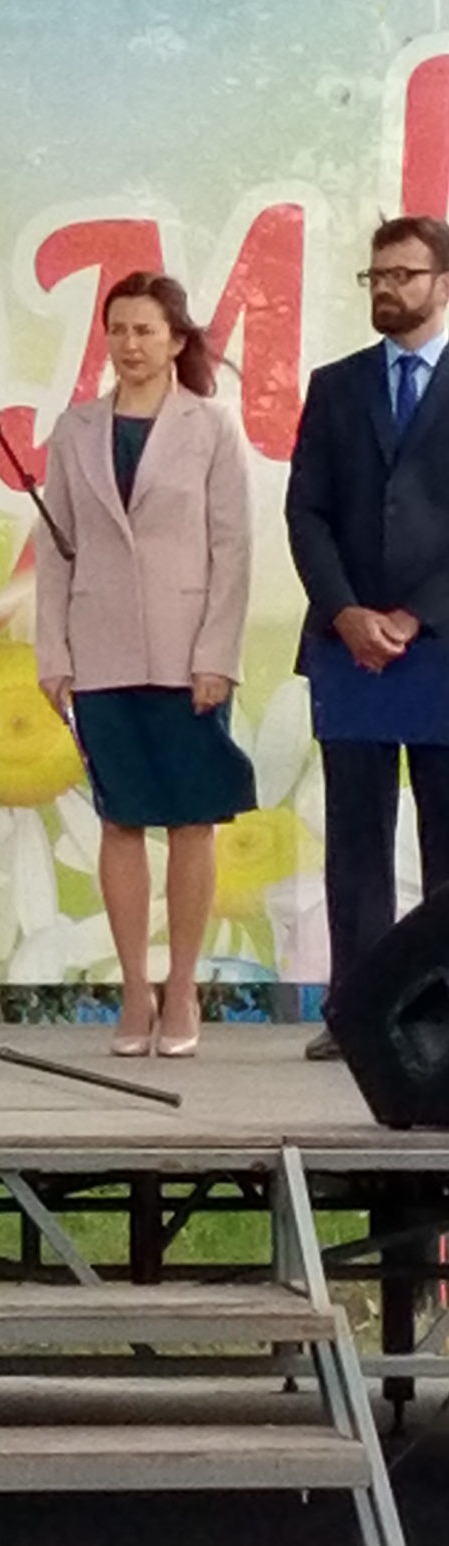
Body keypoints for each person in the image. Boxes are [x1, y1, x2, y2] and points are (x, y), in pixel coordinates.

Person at [36, 273, 255, 1057]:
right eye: (119, 330)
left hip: (187, 650)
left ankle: (183, 986)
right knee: (119, 818)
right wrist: (54, 653)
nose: (130, 345)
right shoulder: (76, 429)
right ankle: (135, 989)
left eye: (145, 331)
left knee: (192, 821)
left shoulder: (212, 426)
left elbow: (233, 548)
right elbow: (55, 549)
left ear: (176, 340)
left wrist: (216, 655)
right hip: (100, 649)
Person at [286, 215, 449, 1060]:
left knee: (445, 838)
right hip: (348, 647)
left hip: (440, 642)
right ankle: (356, 1015)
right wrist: (346, 612)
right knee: (355, 842)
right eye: (376, 276)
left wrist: (416, 613)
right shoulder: (337, 385)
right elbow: (306, 511)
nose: (386, 288)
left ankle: (437, 1014)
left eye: (404, 275)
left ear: (442, 283)